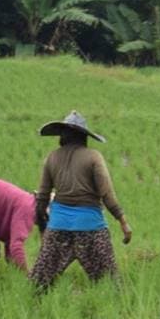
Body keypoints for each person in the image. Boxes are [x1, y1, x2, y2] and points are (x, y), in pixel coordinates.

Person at [30, 111, 131, 290]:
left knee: (38, 285)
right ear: (84, 136)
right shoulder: (93, 156)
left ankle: (32, 313)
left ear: (62, 136)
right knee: (111, 286)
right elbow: (107, 194)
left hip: (58, 227)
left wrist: (43, 227)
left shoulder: (52, 158)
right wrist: (123, 222)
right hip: (90, 228)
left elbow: (43, 196)